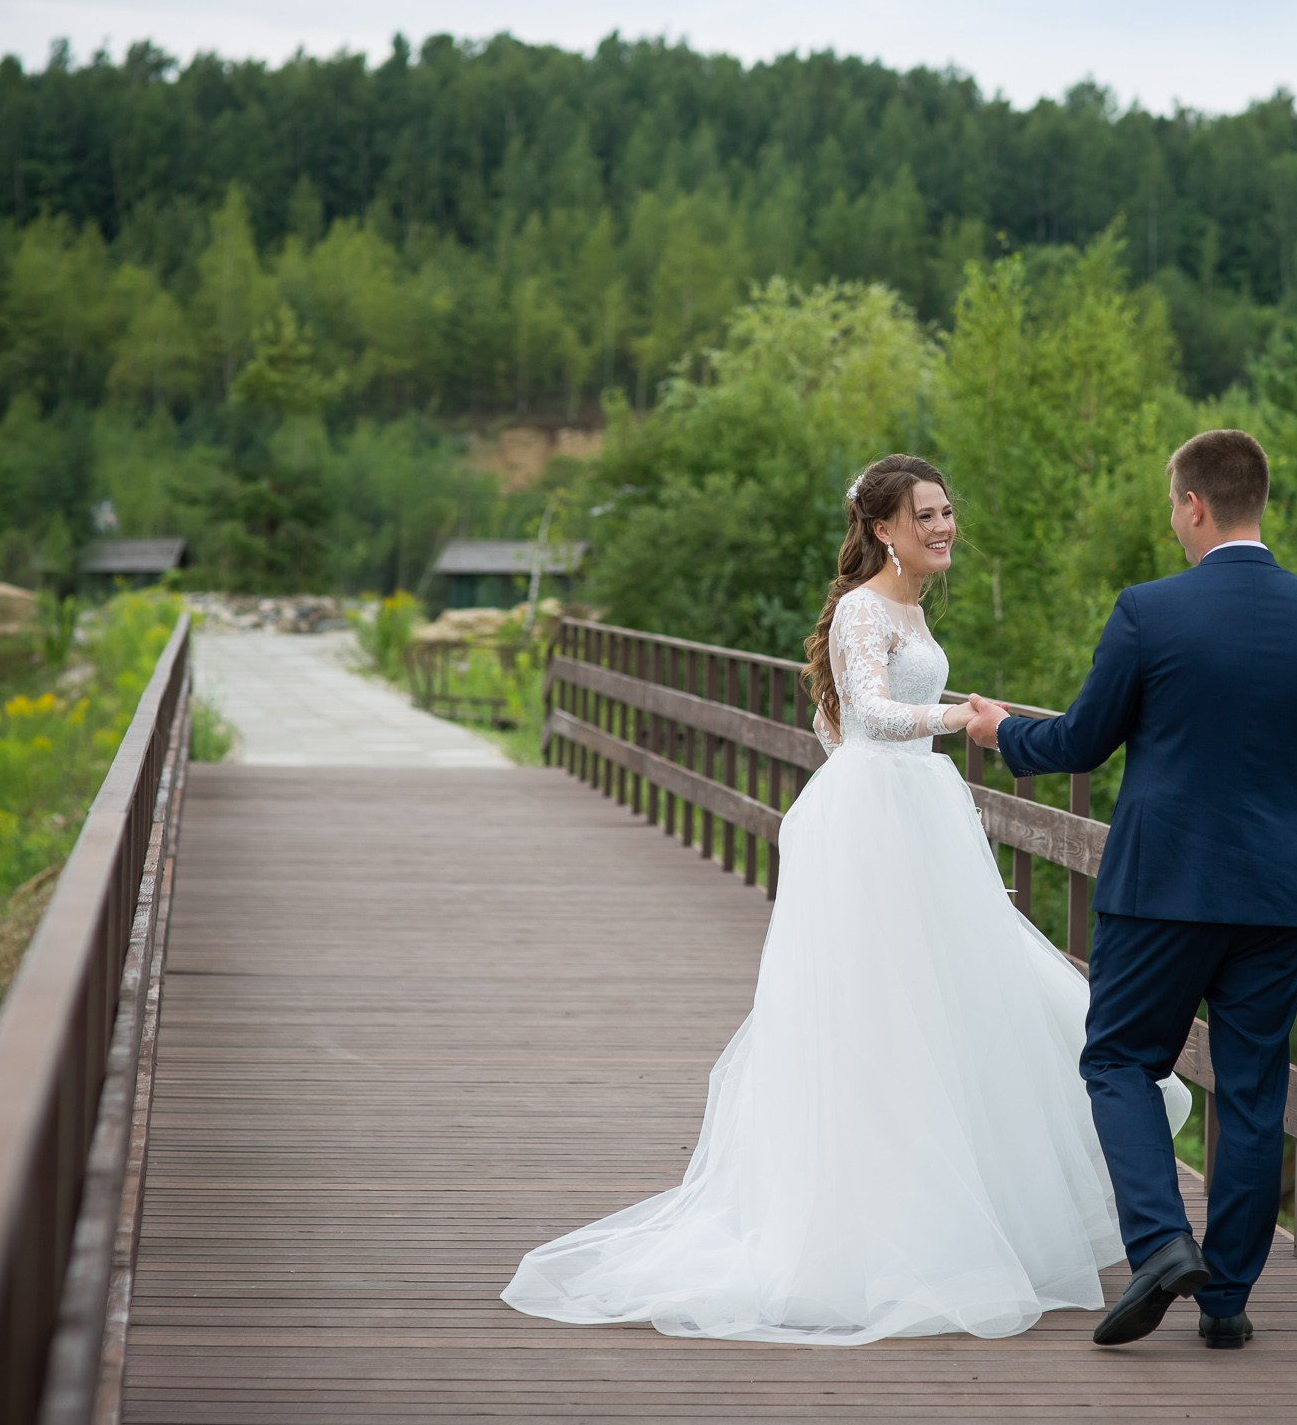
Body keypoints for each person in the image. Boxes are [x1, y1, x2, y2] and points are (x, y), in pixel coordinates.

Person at [502, 453, 1188, 1344]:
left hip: (917, 811)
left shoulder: (905, 607)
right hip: (879, 819)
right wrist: (957, 719)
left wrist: (958, 715)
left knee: (956, 1008)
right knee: (880, 1013)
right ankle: (878, 1231)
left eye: (948, 512)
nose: (945, 527)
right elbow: (862, 715)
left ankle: (963, 1213)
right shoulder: (865, 610)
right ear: (881, 528)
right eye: (927, 515)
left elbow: (834, 726)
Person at [965, 427, 1297, 1350]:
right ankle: (1225, 1301)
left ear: (1193, 504)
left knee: (1116, 1060)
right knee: (1255, 1095)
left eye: (1172, 508)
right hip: (1275, 899)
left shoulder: (1150, 611)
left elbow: (1080, 741)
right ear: (1256, 501)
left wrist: (998, 733)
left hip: (1161, 889)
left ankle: (1158, 1245)